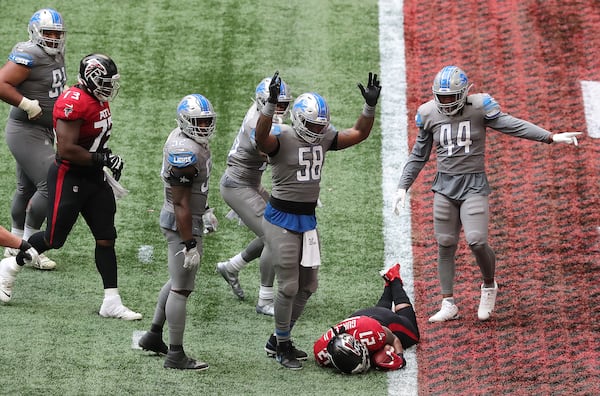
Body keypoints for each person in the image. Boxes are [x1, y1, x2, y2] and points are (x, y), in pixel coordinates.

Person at [391, 65, 582, 323]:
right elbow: (418, 155)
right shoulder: (428, 114)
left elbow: (511, 124)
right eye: (442, 97)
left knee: (477, 240)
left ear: (464, 93)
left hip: (473, 185)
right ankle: (448, 302)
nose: (446, 103)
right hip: (444, 187)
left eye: (451, 97)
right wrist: (403, 186)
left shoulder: (479, 108)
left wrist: (550, 137)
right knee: (445, 243)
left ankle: (489, 285)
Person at [254, 70, 381, 369]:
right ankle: (282, 344)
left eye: (319, 125)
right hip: (281, 219)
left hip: (307, 221)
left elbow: (358, 133)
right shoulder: (282, 136)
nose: (315, 129)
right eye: (310, 124)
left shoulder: (323, 136)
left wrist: (369, 107)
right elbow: (261, 138)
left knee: (308, 285)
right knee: (287, 286)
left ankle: (279, 338)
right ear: (298, 119)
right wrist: (269, 106)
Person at [0, 53, 142, 321]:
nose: (109, 87)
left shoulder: (97, 99)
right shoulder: (73, 102)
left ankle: (111, 300)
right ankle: (9, 266)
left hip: (93, 177)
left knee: (106, 237)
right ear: (90, 78)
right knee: (54, 239)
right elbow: (65, 150)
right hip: (70, 177)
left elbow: (94, 140)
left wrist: (106, 157)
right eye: (104, 81)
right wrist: (103, 158)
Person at [137, 93, 217, 371]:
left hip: (185, 216)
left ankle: (153, 336)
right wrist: (190, 243)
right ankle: (175, 354)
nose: (204, 127)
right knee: (182, 289)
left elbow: (192, 193)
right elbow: (181, 201)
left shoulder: (188, 141)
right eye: (198, 121)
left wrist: (205, 208)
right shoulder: (185, 151)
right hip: (181, 221)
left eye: (207, 121)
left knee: (175, 281)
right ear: (185, 122)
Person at [216, 76, 293, 316]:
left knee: (284, 228)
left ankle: (232, 266)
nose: (280, 108)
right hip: (237, 185)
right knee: (274, 235)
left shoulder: (262, 115)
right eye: (275, 103)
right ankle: (265, 300)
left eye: (283, 104)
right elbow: (271, 154)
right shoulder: (255, 123)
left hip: (250, 183)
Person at [0, 8, 68, 270]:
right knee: (51, 185)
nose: (53, 38)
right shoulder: (28, 53)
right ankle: (29, 246)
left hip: (43, 129)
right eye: (48, 33)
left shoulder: (55, 52)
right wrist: (27, 104)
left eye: (57, 34)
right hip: (26, 130)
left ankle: (15, 240)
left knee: (25, 189)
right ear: (35, 32)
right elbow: (2, 83)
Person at [313, 263, 420, 374]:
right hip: (361, 319)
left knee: (412, 335)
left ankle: (395, 280)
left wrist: (400, 357)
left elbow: (393, 339)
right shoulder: (321, 354)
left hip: (376, 321)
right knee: (380, 351)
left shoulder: (371, 334)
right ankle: (388, 284)